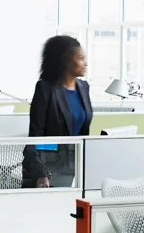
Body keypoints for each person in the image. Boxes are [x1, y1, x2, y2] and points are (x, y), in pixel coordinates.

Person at [22, 35, 93, 188]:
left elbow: (84, 132)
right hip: (48, 167)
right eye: (80, 58)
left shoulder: (84, 88)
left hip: (73, 166)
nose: (85, 63)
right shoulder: (45, 89)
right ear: (65, 61)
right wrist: (41, 174)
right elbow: (35, 136)